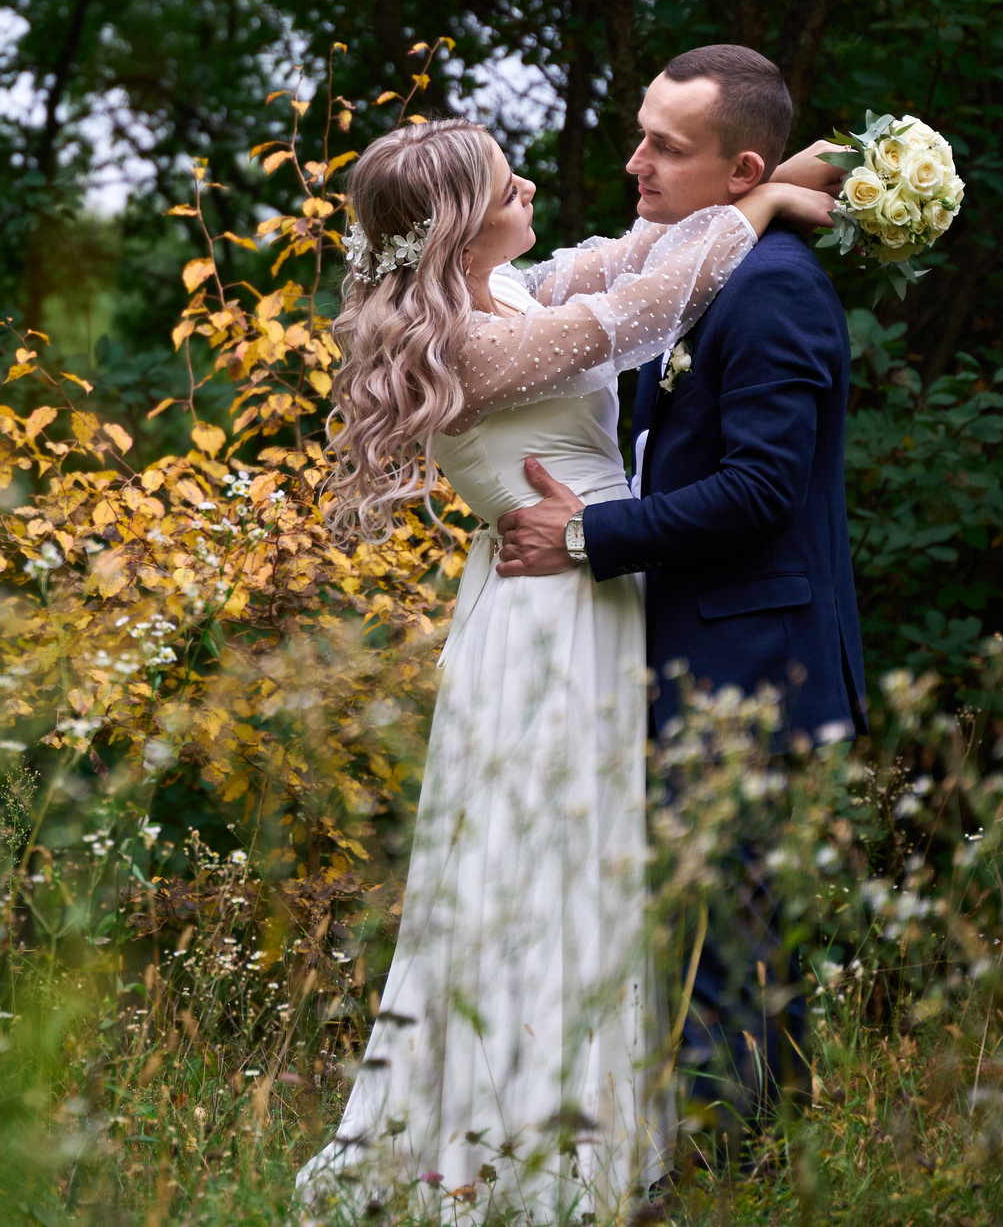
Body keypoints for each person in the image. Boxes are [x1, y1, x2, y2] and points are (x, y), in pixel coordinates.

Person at [294, 97, 836, 1223]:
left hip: (589, 587)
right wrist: (768, 202)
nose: (531, 189)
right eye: (508, 185)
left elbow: (634, 254)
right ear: (459, 225)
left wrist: (766, 180)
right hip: (553, 610)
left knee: (599, 862)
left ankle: (604, 1129)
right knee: (546, 867)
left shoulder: (507, 291)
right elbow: (640, 306)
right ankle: (531, 1156)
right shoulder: (470, 340)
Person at [495, 43, 867, 1171]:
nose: (636, 161)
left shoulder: (775, 287)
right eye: (640, 133)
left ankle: (733, 1179)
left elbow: (761, 490)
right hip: (704, 660)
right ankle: (717, 1166)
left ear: (740, 167)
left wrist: (588, 535)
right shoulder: (710, 264)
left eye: (665, 145)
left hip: (757, 669)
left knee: (735, 955)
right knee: (709, 944)